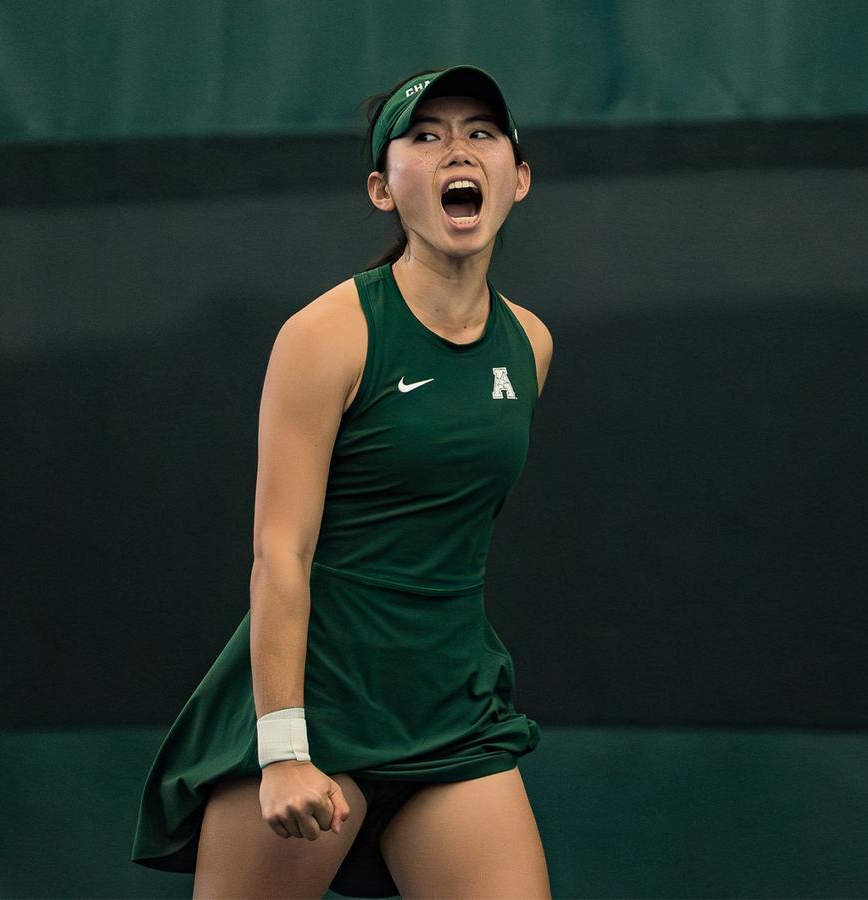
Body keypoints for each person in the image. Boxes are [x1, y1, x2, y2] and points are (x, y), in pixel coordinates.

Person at [131, 65, 553, 898]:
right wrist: (283, 749)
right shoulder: (327, 336)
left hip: (452, 714)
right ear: (382, 189)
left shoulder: (530, 346)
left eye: (479, 133)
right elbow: (279, 554)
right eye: (424, 137)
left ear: (519, 177)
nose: (455, 151)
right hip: (315, 715)